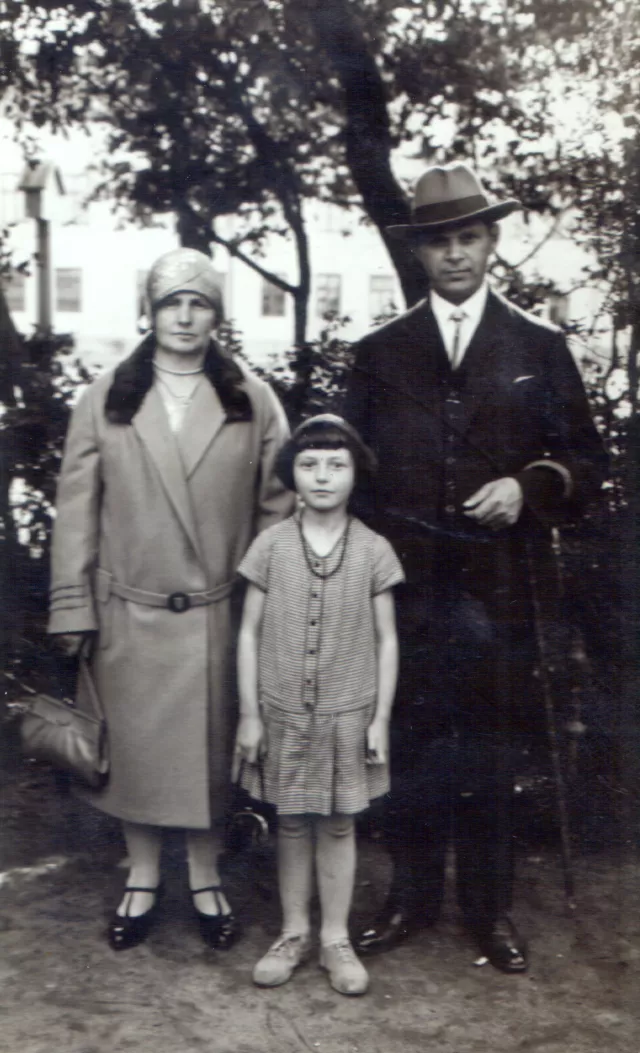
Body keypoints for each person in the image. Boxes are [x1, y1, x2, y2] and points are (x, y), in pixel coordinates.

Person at [343, 163, 608, 972]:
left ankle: (488, 910)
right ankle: (410, 898)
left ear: (492, 242)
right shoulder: (379, 354)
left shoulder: (538, 346)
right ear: (419, 253)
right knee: (413, 741)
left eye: (468, 236)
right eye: (438, 241)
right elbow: (345, 468)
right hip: (409, 585)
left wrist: (529, 485)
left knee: (494, 746)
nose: (454, 254)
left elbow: (586, 465)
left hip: (503, 585)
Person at [48, 247, 293, 951]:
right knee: (136, 756)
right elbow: (76, 512)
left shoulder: (252, 397)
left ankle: (209, 877)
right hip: (129, 609)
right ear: (148, 311)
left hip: (217, 613)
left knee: (211, 756)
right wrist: (73, 605)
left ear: (219, 313)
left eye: (200, 302)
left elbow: (276, 507)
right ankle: (145, 875)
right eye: (171, 302)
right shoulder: (107, 396)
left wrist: (259, 602)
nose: (185, 316)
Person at [233, 414, 404, 995]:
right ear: (292, 474)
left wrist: (378, 718)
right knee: (290, 820)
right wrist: (251, 713)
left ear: (356, 473)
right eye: (309, 464)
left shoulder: (375, 550)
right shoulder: (271, 545)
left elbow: (387, 639)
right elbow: (249, 632)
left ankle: (336, 938)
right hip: (281, 710)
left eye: (337, 464)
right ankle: (292, 931)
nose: (323, 476)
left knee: (336, 824)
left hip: (346, 712)